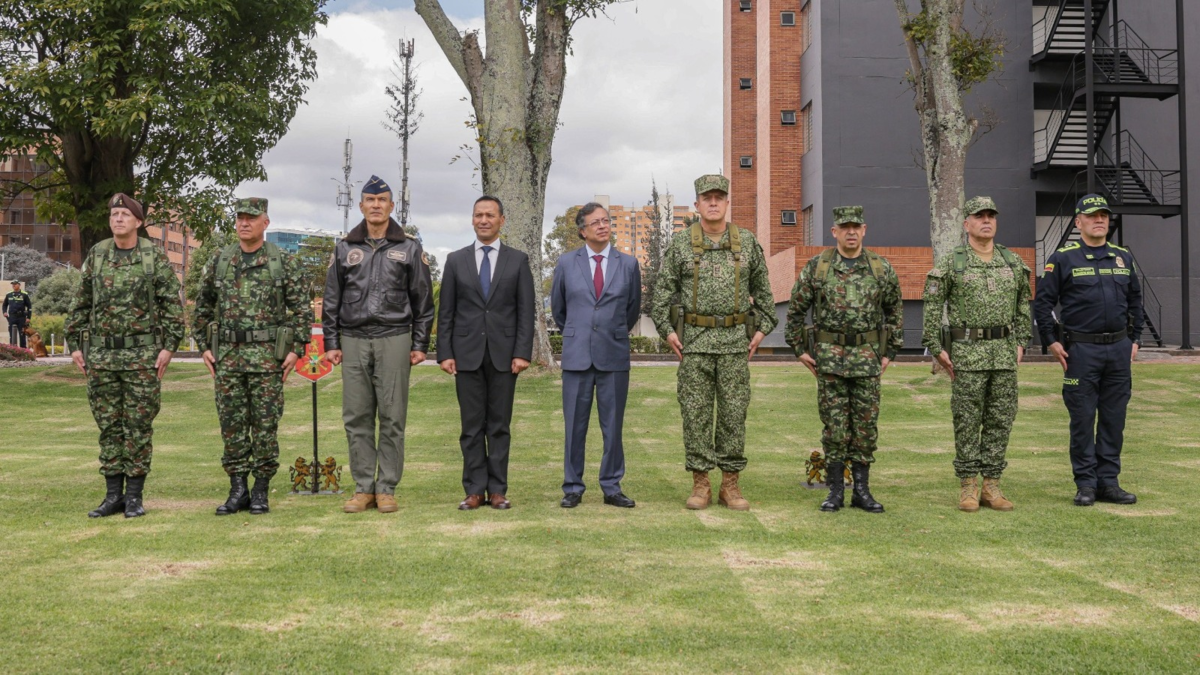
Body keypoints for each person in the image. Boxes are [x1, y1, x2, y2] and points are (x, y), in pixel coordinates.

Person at [650, 174, 776, 511]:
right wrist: (668, 331)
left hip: (735, 343)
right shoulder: (680, 244)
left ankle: (730, 485)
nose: (714, 203)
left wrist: (762, 330)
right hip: (695, 344)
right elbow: (660, 296)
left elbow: (765, 296)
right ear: (697, 205)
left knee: (734, 414)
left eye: (719, 197)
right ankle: (701, 483)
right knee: (695, 414)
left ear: (727, 202)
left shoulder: (747, 242)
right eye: (707, 198)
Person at [65, 193, 184, 519]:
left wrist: (169, 346)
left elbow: (171, 304)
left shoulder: (152, 256)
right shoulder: (98, 253)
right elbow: (81, 301)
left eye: (125, 214)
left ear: (138, 222)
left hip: (141, 358)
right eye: (114, 214)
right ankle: (112, 496)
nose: (118, 218)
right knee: (108, 427)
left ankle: (134, 497)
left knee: (138, 426)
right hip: (102, 357)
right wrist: (74, 343)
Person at [322, 176, 434, 514]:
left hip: (395, 338)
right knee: (356, 416)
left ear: (391, 205)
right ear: (361, 206)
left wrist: (419, 344)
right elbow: (331, 298)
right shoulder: (344, 247)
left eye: (382, 200)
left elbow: (423, 301)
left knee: (392, 416)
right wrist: (331, 341)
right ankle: (362, 488)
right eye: (370, 200)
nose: (375, 205)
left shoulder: (410, 247)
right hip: (354, 339)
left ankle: (386, 488)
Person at [195, 197, 312, 516]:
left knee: (264, 425)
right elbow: (202, 306)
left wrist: (296, 350)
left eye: (251, 217)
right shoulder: (220, 260)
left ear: (266, 222)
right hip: (228, 359)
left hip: (266, 361)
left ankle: (260, 490)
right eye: (240, 217)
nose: (244, 222)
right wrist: (203, 345)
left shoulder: (283, 262)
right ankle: (237, 490)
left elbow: (302, 309)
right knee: (231, 425)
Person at [783, 206, 903, 513]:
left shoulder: (880, 268)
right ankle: (835, 490)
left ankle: (861, 491)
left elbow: (895, 312)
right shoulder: (818, 267)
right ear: (834, 231)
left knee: (865, 428)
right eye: (844, 227)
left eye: (856, 226)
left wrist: (890, 352)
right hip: (830, 360)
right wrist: (800, 350)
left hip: (867, 359)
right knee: (834, 428)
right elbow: (795, 311)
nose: (851, 231)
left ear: (864, 230)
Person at [921, 196, 1032, 512]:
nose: (986, 220)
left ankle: (991, 485)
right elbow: (931, 304)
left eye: (991, 216)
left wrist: (1022, 340)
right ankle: (968, 484)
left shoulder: (1011, 262)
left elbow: (1024, 303)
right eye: (979, 216)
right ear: (966, 223)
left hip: (1003, 353)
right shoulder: (953, 261)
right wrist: (936, 346)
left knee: (1001, 418)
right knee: (967, 419)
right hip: (967, 354)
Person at [1033, 194, 1143, 507]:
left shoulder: (1123, 258)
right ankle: (1086, 484)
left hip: (1118, 350)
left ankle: (1109, 482)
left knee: (1113, 419)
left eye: (1104, 216)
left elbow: (1136, 300)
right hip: (1081, 351)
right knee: (1082, 419)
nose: (1099, 220)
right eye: (1092, 216)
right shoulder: (1064, 258)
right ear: (1078, 221)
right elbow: (1042, 303)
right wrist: (1051, 341)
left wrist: (1135, 339)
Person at [437, 195, 535, 510]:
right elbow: (446, 312)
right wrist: (444, 353)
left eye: (489, 215)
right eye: (478, 215)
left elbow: (525, 311)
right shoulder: (455, 260)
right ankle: (474, 490)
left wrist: (523, 352)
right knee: (471, 427)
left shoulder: (517, 260)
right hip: (465, 355)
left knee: (499, 425)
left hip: (506, 357)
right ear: (472, 220)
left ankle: (498, 490)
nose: (483, 220)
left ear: (501, 220)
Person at [550, 202, 641, 508]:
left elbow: (632, 309)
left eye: (606, 220)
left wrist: (610, 331)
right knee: (574, 425)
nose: (603, 226)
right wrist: (580, 333)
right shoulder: (565, 263)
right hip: (577, 356)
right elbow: (559, 310)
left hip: (613, 355)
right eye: (596, 222)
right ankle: (573, 487)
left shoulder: (628, 264)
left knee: (612, 426)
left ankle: (612, 486)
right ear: (582, 231)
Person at [3, 280, 32, 348]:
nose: (13, 285)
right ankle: (13, 350)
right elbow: (4, 305)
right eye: (13, 284)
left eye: (15, 284)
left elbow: (29, 306)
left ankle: (23, 351)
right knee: (12, 334)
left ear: (19, 285)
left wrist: (28, 317)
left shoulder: (24, 294)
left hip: (21, 317)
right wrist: (4, 312)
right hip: (12, 317)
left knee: (22, 334)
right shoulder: (9, 294)